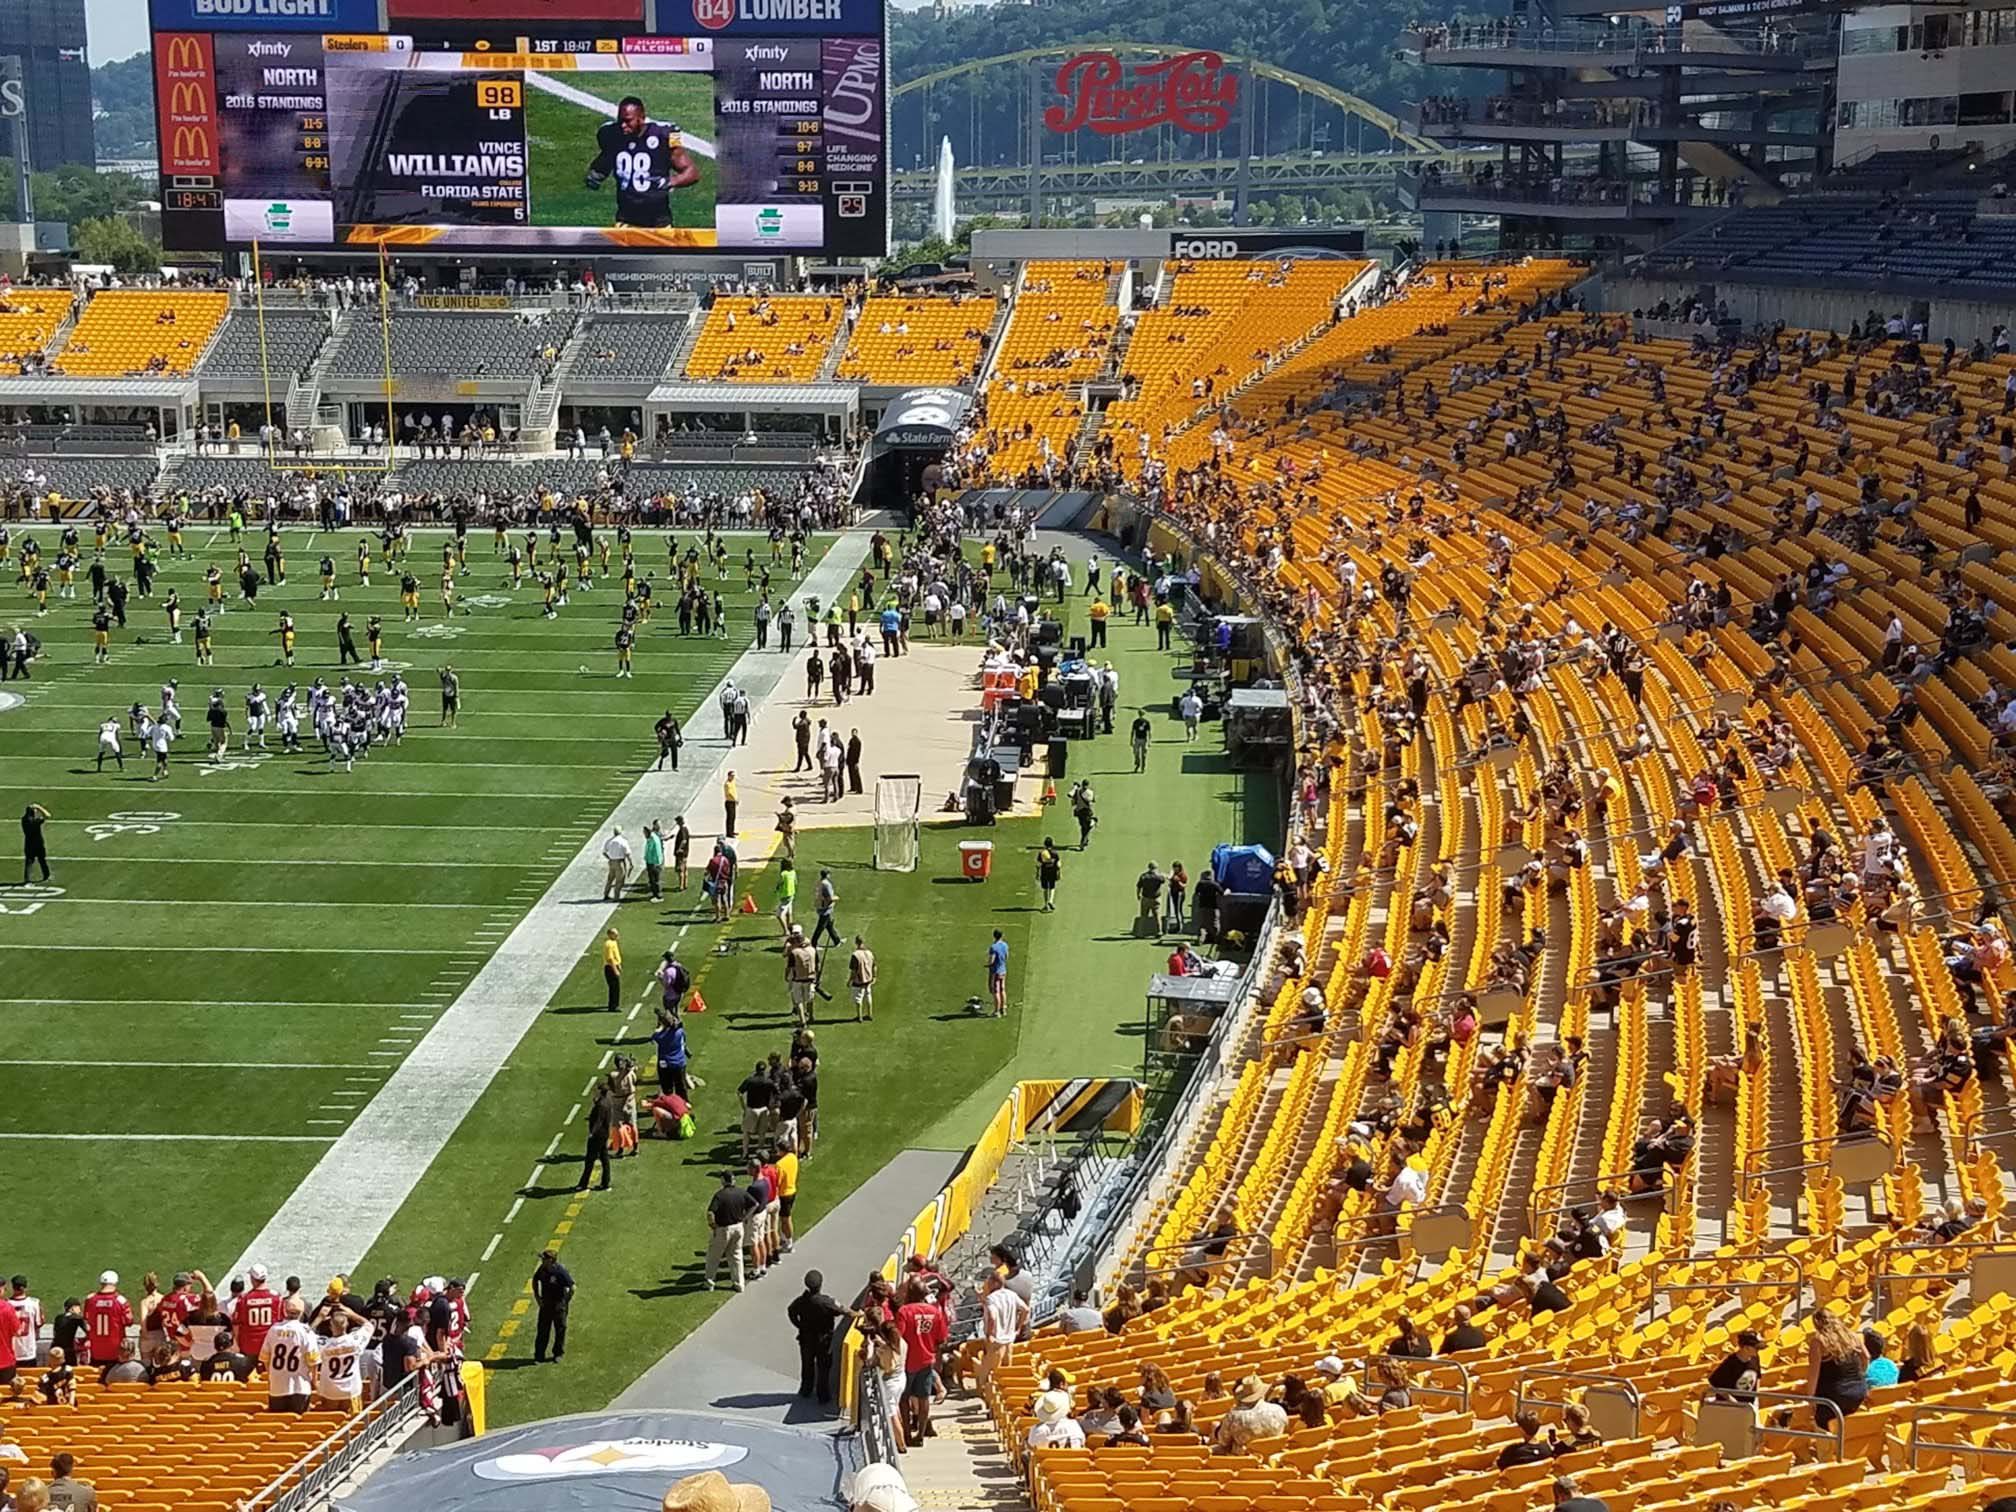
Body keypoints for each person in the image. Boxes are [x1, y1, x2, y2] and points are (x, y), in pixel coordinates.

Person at [893, 1281, 948, 1444]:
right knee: (924, 1398)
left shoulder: (904, 1311)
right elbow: (942, 1339)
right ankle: (921, 1435)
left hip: (907, 1362)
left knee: (904, 1398)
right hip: (926, 1361)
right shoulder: (935, 1312)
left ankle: (908, 1434)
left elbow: (898, 1337)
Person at [787, 1270, 851, 1405]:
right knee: (823, 1367)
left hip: (806, 1338)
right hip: (823, 1340)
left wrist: (799, 1325)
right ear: (820, 1285)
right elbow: (843, 1311)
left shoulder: (801, 1301)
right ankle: (823, 1395)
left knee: (807, 1364)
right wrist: (857, 1314)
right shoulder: (826, 1302)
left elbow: (791, 1311)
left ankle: (806, 1389)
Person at [1804, 1307, 1870, 1430]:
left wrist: (1810, 1398)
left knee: (1822, 1424)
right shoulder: (1853, 1336)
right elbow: (1866, 1356)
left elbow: (1814, 1372)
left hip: (1834, 1395)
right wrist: (1861, 1374)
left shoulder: (1818, 1342)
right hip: (1859, 1390)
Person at [259, 1297, 321, 1414]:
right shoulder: (305, 1332)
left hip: (277, 1386)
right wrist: (314, 1381)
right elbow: (313, 1360)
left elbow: (265, 1358)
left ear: (285, 1311)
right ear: (301, 1313)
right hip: (300, 1386)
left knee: (278, 1423)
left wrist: (271, 1376)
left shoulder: (273, 1330)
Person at [705, 1171, 757, 1291]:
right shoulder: (741, 1192)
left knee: (714, 1256)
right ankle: (739, 1284)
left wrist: (713, 1226)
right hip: (738, 1228)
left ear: (723, 1180)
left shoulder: (720, 1195)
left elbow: (710, 1212)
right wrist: (745, 1218)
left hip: (723, 1229)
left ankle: (709, 1281)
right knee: (736, 1256)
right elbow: (754, 1204)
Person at [977, 1272, 1028, 1389]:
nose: (987, 1285)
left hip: (996, 1340)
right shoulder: (1012, 1295)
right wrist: (1018, 1327)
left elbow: (992, 1316)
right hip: (1009, 1338)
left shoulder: (992, 1299)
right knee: (1006, 1369)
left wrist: (990, 1334)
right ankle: (1003, 1392)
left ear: (995, 1283)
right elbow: (1026, 1310)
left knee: (986, 1368)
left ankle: (982, 1393)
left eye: (989, 1282)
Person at [1212, 1375, 1288, 1453]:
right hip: (1274, 1455)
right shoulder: (1278, 1410)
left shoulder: (1233, 1416)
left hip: (1244, 1460)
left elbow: (1223, 1441)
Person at [532, 1249, 573, 1363]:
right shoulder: (542, 1269)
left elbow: (572, 1286)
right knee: (542, 1330)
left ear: (551, 1260)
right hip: (545, 1305)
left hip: (558, 1305)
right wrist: (537, 1297)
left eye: (544, 1259)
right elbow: (535, 1280)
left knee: (560, 1329)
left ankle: (558, 1353)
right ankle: (539, 1355)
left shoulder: (560, 1271)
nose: (542, 1261)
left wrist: (566, 1300)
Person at [578, 1089, 614, 1192]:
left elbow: (598, 1121)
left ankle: (583, 1184)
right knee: (604, 1159)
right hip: (604, 1134)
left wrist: (592, 1133)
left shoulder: (601, 1105)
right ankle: (605, 1183)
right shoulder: (607, 1101)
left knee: (590, 1160)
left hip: (598, 1136)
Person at [848, 935, 876, 1021]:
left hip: (859, 980)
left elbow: (854, 970)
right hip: (868, 979)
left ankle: (859, 1016)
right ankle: (869, 1014)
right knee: (868, 996)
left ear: (856, 942)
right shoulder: (870, 953)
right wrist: (874, 976)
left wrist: (850, 980)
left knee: (858, 998)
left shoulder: (855, 955)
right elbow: (874, 966)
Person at [20, 803, 49, 885]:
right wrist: (39, 807)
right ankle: (46, 876)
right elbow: (47, 815)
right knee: (42, 860)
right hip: (38, 843)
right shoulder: (35, 821)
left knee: (29, 863)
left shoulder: (24, 820)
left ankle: (27, 880)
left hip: (28, 843)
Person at [601, 828, 632, 901]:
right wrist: (631, 862)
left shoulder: (609, 841)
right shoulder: (623, 841)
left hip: (612, 862)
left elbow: (604, 852)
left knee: (610, 879)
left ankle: (606, 894)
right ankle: (616, 896)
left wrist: (609, 858)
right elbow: (627, 853)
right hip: (619, 862)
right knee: (619, 880)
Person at [1036, 838, 1062, 912]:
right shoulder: (1055, 853)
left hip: (1044, 872)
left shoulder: (1042, 853)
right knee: (1052, 887)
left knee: (1045, 889)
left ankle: (1046, 904)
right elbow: (1058, 864)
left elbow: (1038, 864)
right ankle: (1051, 900)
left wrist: (1037, 873)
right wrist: (1059, 873)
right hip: (1052, 872)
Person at [987, 929, 1009, 1017]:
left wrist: (988, 965)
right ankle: (1003, 1009)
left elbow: (991, 960)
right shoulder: (1005, 945)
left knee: (996, 991)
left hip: (995, 971)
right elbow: (1007, 956)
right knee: (1002, 989)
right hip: (1003, 970)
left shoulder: (993, 947)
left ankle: (996, 1011)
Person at [601, 927, 623, 1012]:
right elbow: (610, 959)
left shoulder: (614, 942)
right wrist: (615, 970)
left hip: (614, 966)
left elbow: (615, 955)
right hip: (610, 967)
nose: (617, 935)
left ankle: (614, 1004)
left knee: (615, 987)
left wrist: (619, 964)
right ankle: (613, 1006)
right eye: (615, 934)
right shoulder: (609, 944)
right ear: (610, 934)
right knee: (614, 987)